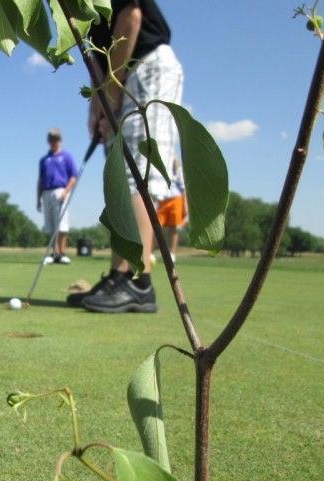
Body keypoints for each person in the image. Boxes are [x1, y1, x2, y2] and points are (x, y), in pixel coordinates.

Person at [67, 0, 183, 312]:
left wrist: (111, 92)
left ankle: (135, 278)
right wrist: (97, 103)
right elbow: (92, 50)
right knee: (120, 180)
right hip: (121, 73)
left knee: (137, 173)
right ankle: (120, 275)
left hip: (147, 67)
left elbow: (130, 17)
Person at [37, 128, 77, 264]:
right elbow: (40, 180)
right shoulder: (44, 159)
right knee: (50, 226)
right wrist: (38, 199)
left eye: (56, 139)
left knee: (61, 224)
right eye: (52, 139)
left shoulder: (66, 156)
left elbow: (73, 176)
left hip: (61, 190)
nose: (54, 141)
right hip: (46, 192)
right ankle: (54, 254)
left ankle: (62, 253)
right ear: (48, 141)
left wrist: (66, 191)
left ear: (60, 140)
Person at [155, 158, 187, 264]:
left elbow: (183, 189)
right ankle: (150, 252)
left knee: (173, 227)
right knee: (156, 226)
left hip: (176, 199)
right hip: (163, 199)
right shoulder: (159, 170)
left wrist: (185, 205)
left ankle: (172, 253)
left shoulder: (179, 172)